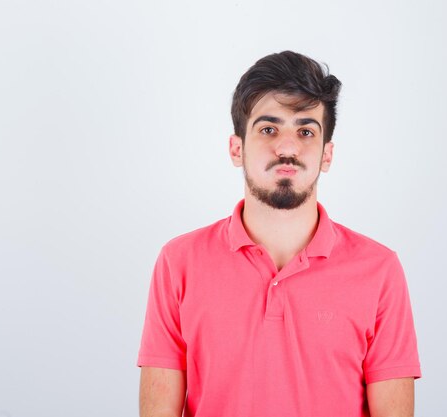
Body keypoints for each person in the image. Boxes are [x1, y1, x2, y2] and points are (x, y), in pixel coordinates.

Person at [136, 51, 421, 417]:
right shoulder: (178, 263)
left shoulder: (380, 270)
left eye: (305, 131)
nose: (287, 148)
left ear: (326, 155)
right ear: (236, 148)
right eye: (268, 129)